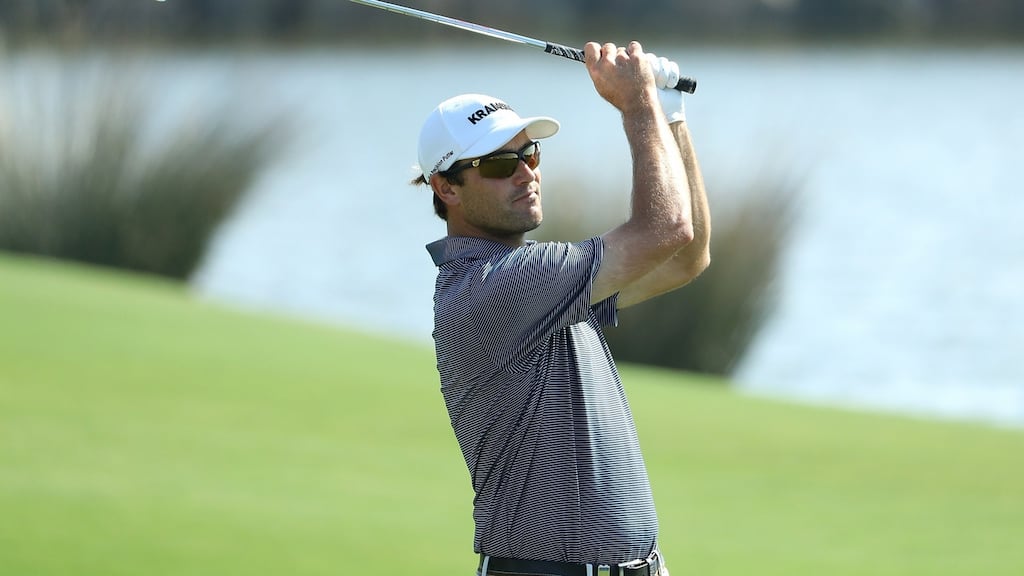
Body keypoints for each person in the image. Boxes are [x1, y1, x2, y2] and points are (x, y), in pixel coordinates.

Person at [412, 41, 710, 576]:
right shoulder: (494, 286)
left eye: (530, 155)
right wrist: (638, 103)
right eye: (501, 163)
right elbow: (665, 229)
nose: (526, 173)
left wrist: (670, 117)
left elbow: (686, 257)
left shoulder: (546, 288)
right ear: (445, 187)